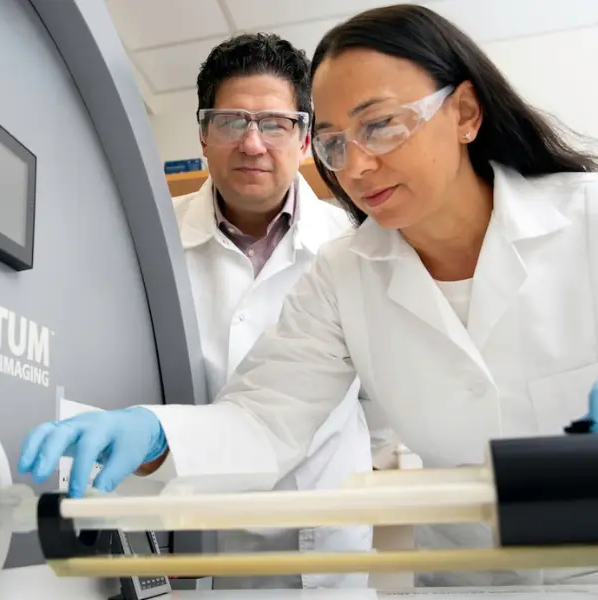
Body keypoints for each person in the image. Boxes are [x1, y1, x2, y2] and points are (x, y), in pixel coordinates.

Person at [19, 4, 598, 588]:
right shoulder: (343, 273)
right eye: (334, 142)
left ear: (464, 112)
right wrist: (154, 432)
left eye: (380, 125)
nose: (356, 165)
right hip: (463, 570)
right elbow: (266, 421)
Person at [39, 33, 378, 590]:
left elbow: (381, 404)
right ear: (201, 132)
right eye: (229, 121)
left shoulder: (355, 244)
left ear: (305, 138)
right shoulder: (145, 241)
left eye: (273, 123)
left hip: (321, 544)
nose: (252, 144)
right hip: (191, 536)